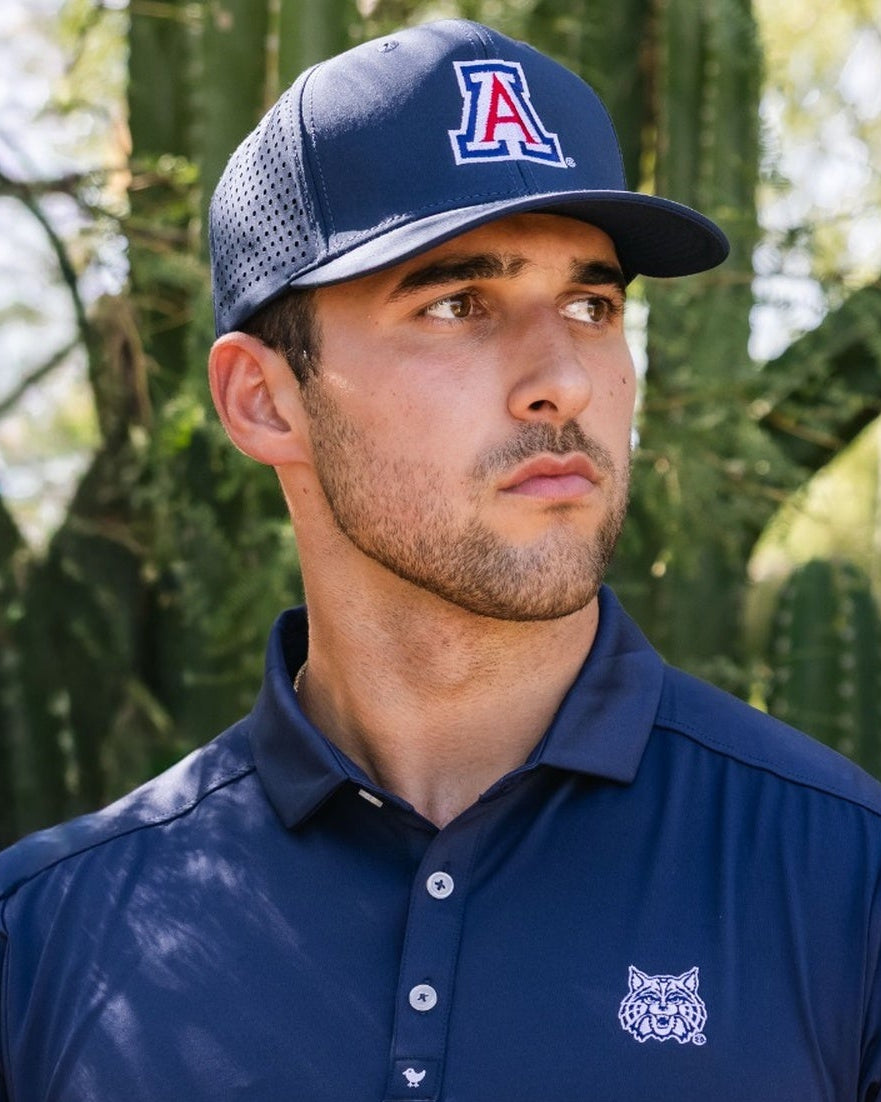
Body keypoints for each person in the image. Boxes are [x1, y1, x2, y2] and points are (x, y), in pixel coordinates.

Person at [1, 18, 879, 1101]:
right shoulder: (45, 939)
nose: (560, 377)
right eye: (458, 304)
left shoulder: (847, 881)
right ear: (262, 399)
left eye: (589, 303)